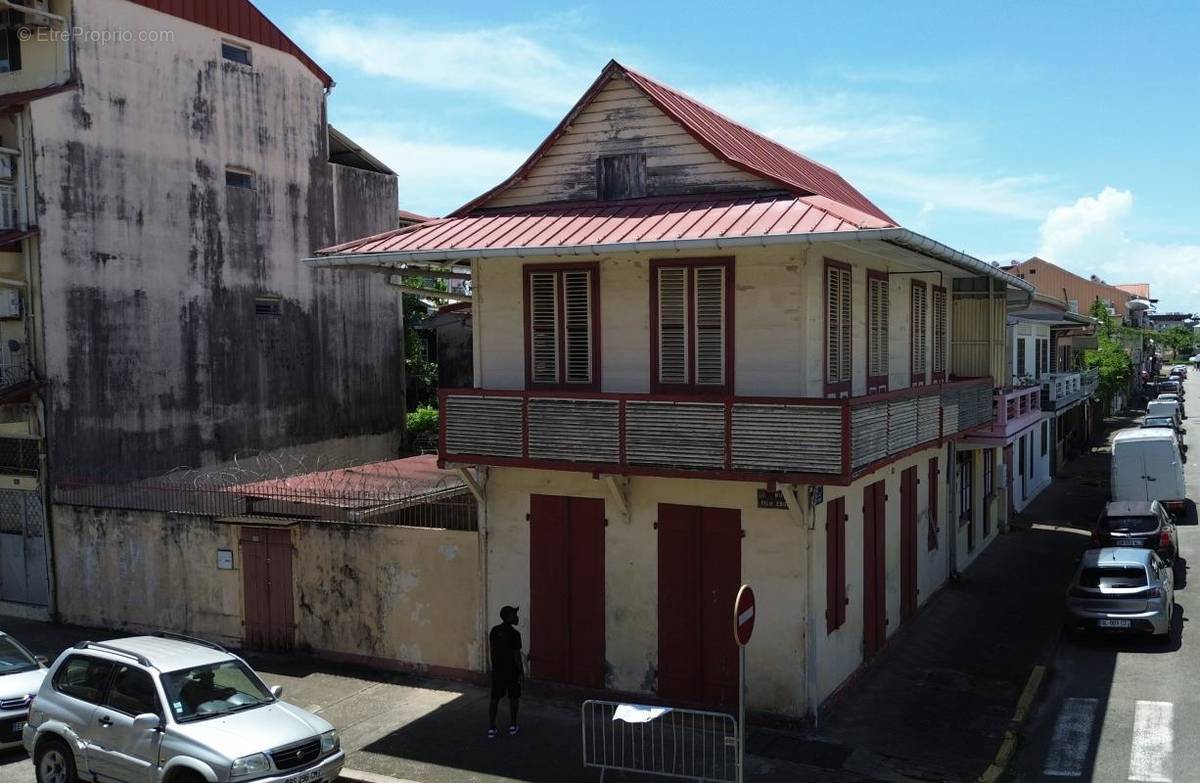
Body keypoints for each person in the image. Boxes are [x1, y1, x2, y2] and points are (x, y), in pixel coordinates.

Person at [488, 605, 524, 738]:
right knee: (514, 698)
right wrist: (521, 673)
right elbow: (517, 657)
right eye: (514, 615)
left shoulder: (494, 631)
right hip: (512, 672)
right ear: (509, 617)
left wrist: (495, 667)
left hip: (498, 671)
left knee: (495, 698)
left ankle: (491, 727)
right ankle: (513, 725)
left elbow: (492, 652)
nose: (517, 617)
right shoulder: (515, 635)